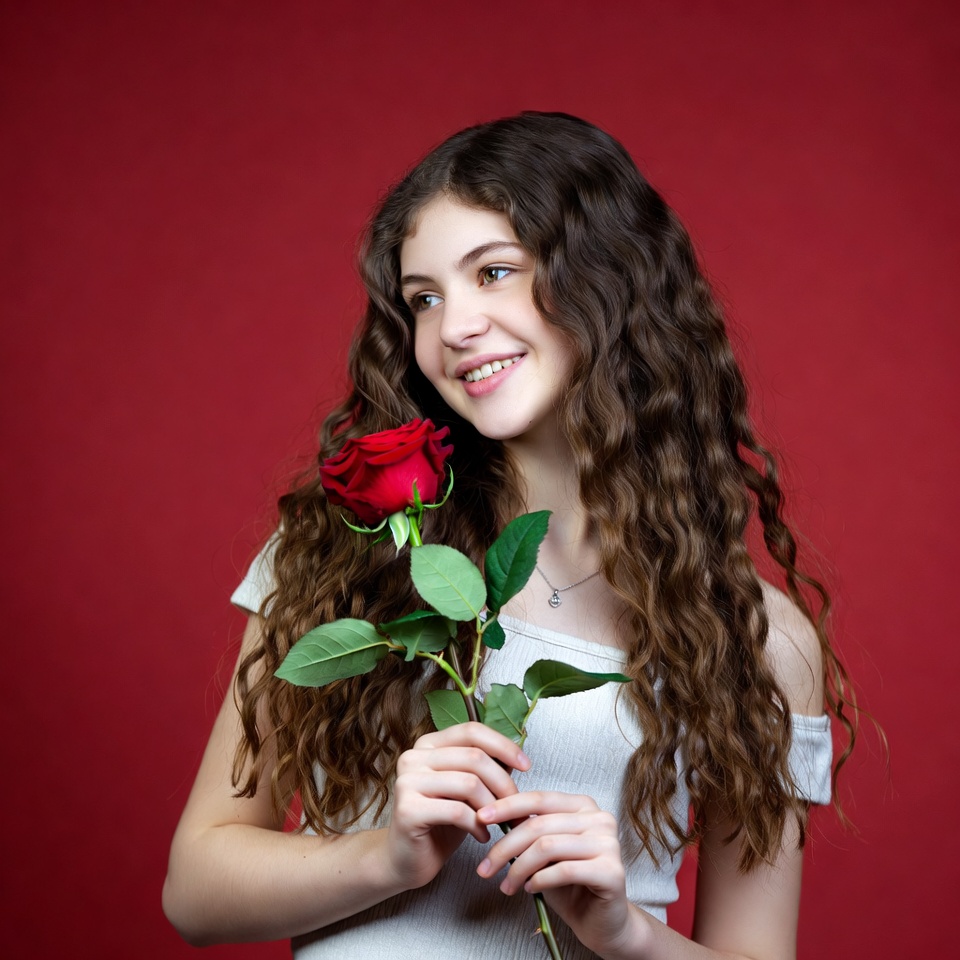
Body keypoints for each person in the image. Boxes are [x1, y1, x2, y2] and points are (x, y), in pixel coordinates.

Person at [163, 112, 855, 959]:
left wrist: (621, 930)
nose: (453, 328)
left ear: (607, 279)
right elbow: (196, 889)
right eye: (424, 297)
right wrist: (386, 855)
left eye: (494, 272)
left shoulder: (757, 639)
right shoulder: (345, 558)